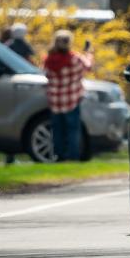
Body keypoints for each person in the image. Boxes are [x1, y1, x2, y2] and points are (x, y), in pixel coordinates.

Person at [43, 30, 93, 161]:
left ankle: (59, 156)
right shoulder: (75, 59)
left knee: (57, 131)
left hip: (55, 100)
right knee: (72, 130)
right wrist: (88, 52)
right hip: (72, 100)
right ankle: (72, 156)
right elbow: (88, 66)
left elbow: (45, 74)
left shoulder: (49, 60)